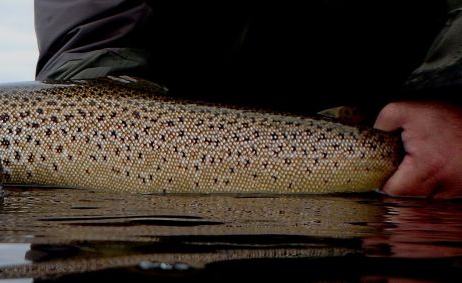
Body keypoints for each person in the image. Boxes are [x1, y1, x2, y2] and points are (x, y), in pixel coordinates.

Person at [34, 0, 462, 199]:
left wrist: (449, 91)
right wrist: (98, 91)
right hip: (181, 91)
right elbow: (90, 29)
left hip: (413, 107)